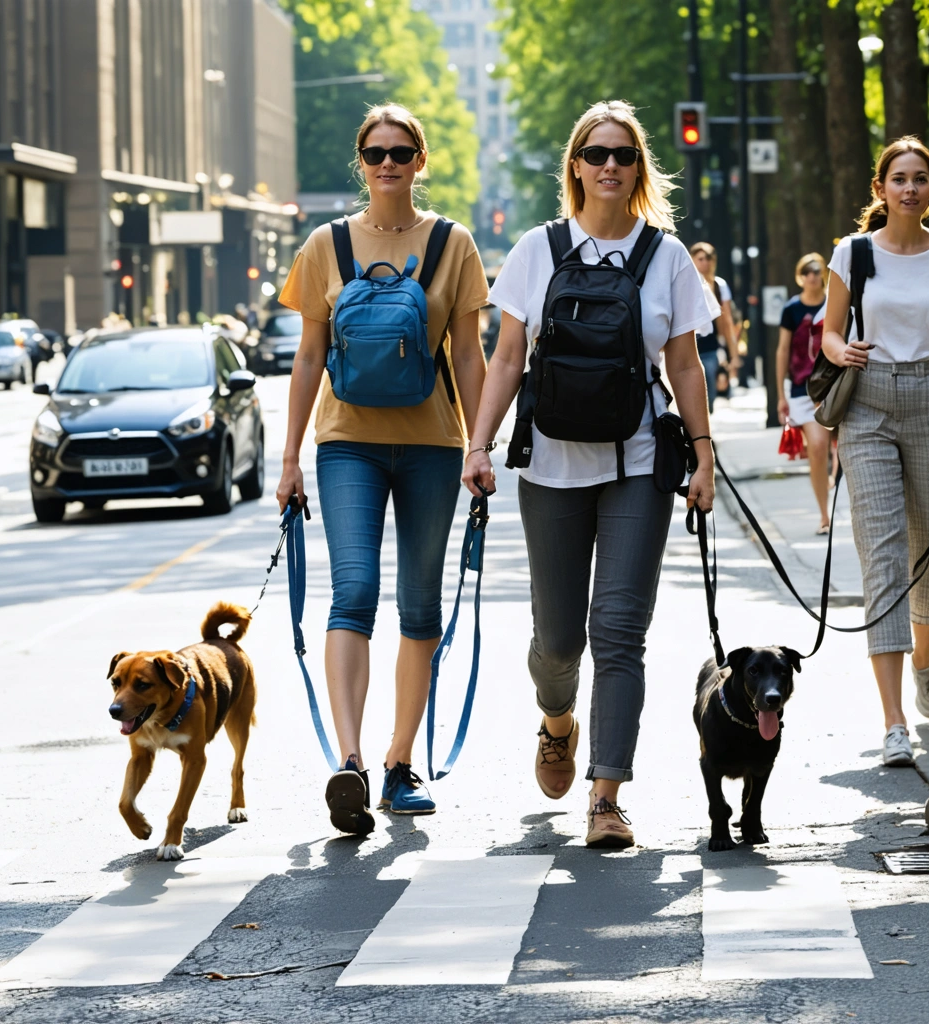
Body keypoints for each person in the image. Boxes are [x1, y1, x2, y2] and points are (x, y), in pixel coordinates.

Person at [463, 100, 715, 849]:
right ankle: (556, 721)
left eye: (624, 155)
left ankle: (606, 796)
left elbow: (684, 363)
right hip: (550, 464)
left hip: (638, 459)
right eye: (597, 153)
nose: (610, 165)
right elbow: (507, 358)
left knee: (619, 632)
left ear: (639, 169)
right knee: (560, 641)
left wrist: (702, 452)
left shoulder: (666, 257)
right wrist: (479, 446)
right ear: (575, 164)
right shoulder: (537, 250)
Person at [274, 104, 489, 834]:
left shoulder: (453, 244)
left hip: (433, 443)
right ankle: (351, 763)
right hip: (346, 443)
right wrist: (289, 458)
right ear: (360, 161)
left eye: (401, 152)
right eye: (375, 153)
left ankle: (401, 763)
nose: (388, 163)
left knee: (420, 604)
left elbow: (468, 354)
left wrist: (483, 442)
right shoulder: (324, 245)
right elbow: (308, 357)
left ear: (420, 160)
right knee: (355, 588)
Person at [821, 136, 929, 768]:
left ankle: (924, 656)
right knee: (884, 557)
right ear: (880, 188)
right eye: (898, 178)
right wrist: (839, 351)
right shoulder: (853, 252)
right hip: (867, 407)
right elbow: (830, 330)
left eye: (921, 178)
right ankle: (894, 722)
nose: (910, 187)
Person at [776, 252, 831, 534]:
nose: (812, 276)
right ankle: (824, 515)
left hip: (836, 386)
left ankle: (832, 477)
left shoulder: (835, 302)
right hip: (802, 390)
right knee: (818, 448)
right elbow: (782, 350)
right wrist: (780, 395)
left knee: (842, 447)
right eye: (807, 271)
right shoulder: (792, 309)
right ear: (801, 275)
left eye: (817, 270)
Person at [690, 242, 740, 411]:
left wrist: (733, 356)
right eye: (700, 258)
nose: (705, 262)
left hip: (710, 348)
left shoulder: (719, 285)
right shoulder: (685, 284)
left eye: (709, 258)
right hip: (689, 346)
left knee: (709, 395)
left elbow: (726, 322)